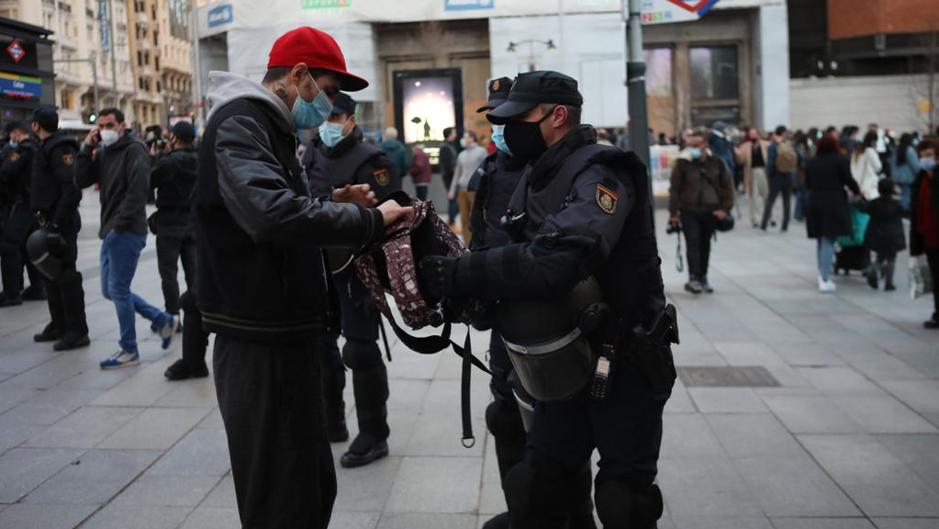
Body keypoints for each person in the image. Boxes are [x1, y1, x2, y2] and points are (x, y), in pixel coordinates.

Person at [419, 70, 673, 529]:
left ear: (558, 117)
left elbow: (560, 260)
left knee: (623, 499)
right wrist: (467, 294)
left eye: (520, 117)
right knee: (536, 487)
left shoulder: (603, 171)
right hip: (558, 363)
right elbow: (509, 256)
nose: (509, 127)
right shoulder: (534, 175)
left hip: (625, 358)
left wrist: (463, 273)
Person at [195, 26, 411, 529]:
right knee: (281, 496)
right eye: (329, 91)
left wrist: (332, 203)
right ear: (297, 76)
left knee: (310, 485)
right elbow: (269, 214)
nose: (331, 107)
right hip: (257, 339)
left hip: (286, 333)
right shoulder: (240, 123)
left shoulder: (271, 128)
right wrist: (372, 220)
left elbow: (272, 207)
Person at [304, 91, 400, 468]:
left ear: (351, 120)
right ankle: (333, 421)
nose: (329, 125)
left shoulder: (372, 160)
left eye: (337, 117)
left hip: (358, 266)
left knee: (359, 349)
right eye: (326, 118)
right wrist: (333, 198)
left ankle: (375, 433)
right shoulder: (310, 153)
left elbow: (390, 212)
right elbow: (300, 200)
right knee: (321, 345)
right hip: (317, 262)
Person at [75, 108, 178, 369]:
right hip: (112, 230)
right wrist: (87, 147)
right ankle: (162, 320)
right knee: (109, 290)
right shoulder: (106, 151)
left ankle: (129, 349)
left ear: (122, 125)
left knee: (117, 289)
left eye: (109, 124)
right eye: (101, 125)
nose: (104, 129)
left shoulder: (135, 150)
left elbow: (138, 191)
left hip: (126, 230)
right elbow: (82, 179)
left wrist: (117, 226)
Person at [29, 108, 90, 350]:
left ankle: (77, 330)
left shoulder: (60, 148)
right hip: (47, 221)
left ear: (36, 126)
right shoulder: (45, 146)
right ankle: (59, 324)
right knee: (50, 276)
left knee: (66, 277)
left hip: (61, 224)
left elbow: (71, 189)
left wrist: (56, 224)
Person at [669, 128, 735, 294]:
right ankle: (693, 278)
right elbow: (675, 189)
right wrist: (673, 214)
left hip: (710, 211)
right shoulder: (682, 163)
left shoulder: (717, 162)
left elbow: (727, 187)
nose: (693, 148)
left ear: (705, 144)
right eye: (690, 144)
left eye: (697, 144)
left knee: (704, 244)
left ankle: (703, 277)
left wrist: (725, 209)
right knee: (692, 243)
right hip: (688, 210)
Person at [149, 121, 198, 320]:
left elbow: (149, 183)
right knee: (193, 271)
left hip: (169, 224)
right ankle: (198, 311)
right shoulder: (201, 159)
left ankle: (173, 314)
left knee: (168, 272)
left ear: (174, 138)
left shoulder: (167, 162)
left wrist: (155, 158)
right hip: (193, 223)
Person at [804, 135, 861, 293]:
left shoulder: (812, 162)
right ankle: (824, 277)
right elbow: (848, 180)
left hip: (814, 201)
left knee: (821, 238)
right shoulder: (840, 160)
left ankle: (821, 272)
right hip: (833, 202)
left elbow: (807, 183)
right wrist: (858, 191)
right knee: (829, 238)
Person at [0, 121, 38, 306]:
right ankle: (38, 287)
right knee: (28, 246)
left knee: (9, 245)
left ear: (16, 133)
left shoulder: (23, 150)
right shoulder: (37, 147)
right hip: (34, 204)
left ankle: (12, 292)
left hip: (23, 203)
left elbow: (6, 171)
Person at [857, 178, 906, 291]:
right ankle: (889, 283)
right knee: (891, 258)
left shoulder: (875, 203)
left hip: (877, 234)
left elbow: (863, 208)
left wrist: (859, 199)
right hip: (893, 235)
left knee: (880, 257)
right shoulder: (897, 204)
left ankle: (872, 272)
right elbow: (906, 212)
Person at [910, 141, 939, 328]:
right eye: (922, 155)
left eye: (928, 155)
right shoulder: (920, 179)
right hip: (927, 236)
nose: (924, 159)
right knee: (936, 277)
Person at [448, 130, 487, 246]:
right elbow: (457, 173)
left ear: (472, 138)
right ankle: (467, 243)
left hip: (475, 189)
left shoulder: (481, 152)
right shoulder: (461, 154)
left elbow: (486, 169)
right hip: (462, 190)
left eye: (465, 137)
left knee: (476, 217)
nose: (463, 139)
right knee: (464, 218)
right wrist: (452, 190)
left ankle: (480, 242)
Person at [762, 125, 799, 232]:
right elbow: (799, 158)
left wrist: (769, 174)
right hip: (789, 176)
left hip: (776, 177)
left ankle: (764, 224)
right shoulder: (790, 145)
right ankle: (785, 225)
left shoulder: (773, 145)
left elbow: (770, 162)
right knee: (787, 201)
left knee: (770, 200)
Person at [736, 127, 770, 228]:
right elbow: (740, 162)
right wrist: (738, 154)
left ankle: (769, 217)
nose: (753, 136)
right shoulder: (745, 146)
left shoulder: (766, 145)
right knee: (753, 197)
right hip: (751, 173)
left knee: (767, 195)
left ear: (759, 134)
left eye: (754, 134)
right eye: (751, 134)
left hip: (764, 171)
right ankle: (754, 219)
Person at [890, 133, 919, 212]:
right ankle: (904, 209)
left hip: (896, 176)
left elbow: (891, 163)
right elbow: (915, 165)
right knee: (906, 194)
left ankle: (900, 207)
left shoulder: (895, 149)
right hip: (907, 177)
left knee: (899, 194)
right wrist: (918, 174)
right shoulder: (909, 149)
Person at [851, 131, 882, 199]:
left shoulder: (856, 151)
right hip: (868, 184)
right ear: (874, 141)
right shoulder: (870, 151)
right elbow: (878, 167)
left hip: (856, 182)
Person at [439, 126, 460, 225]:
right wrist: (454, 177)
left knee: (454, 198)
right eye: (454, 132)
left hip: (452, 176)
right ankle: (451, 220)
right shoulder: (445, 147)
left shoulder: (450, 145)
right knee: (452, 198)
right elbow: (447, 166)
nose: (455, 134)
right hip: (449, 177)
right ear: (450, 134)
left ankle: (452, 218)